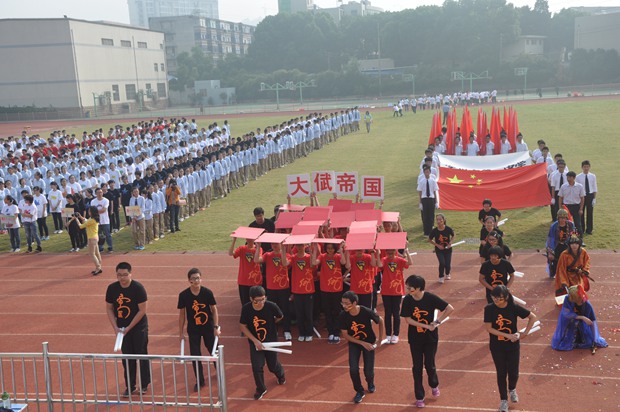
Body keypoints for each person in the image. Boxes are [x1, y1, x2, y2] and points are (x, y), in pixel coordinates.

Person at [400, 275, 454, 408]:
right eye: (407, 287)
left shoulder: (430, 298)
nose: (408, 290)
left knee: (429, 364)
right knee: (416, 367)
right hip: (415, 338)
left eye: (410, 288)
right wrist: (426, 326)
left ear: (418, 288)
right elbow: (408, 319)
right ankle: (419, 396)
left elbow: (449, 308)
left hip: (430, 339)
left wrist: (437, 322)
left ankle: (434, 384)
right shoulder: (407, 300)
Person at [484, 285, 537, 412]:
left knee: (514, 372)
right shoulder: (489, 308)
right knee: (501, 373)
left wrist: (524, 333)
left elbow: (532, 317)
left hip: (512, 346)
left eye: (499, 299)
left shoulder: (513, 307)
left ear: (506, 297)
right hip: (497, 346)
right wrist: (508, 335)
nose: (496, 301)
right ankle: (503, 400)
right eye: (494, 298)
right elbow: (489, 328)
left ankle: (512, 388)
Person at [105, 262, 150, 397]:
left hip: (138, 326)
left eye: (125, 275)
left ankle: (144, 384)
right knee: (127, 357)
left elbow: (142, 310)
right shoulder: (112, 288)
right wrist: (115, 327)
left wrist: (130, 327)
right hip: (122, 328)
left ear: (130, 274)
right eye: (119, 275)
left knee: (141, 354)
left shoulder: (138, 288)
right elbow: (109, 308)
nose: (122, 278)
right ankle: (130, 386)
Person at [239, 285, 286, 401]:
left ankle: (280, 374)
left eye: (262, 299)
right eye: (257, 301)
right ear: (251, 299)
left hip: (271, 341)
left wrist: (272, 324)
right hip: (255, 343)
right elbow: (242, 326)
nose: (260, 303)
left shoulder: (271, 306)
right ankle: (261, 388)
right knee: (257, 366)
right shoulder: (246, 309)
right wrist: (255, 341)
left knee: (272, 365)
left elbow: (280, 316)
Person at [178, 268, 221, 391]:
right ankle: (200, 380)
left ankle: (219, 371)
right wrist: (180, 333)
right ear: (189, 280)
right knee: (195, 355)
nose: (196, 281)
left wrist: (216, 327)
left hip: (208, 327)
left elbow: (214, 310)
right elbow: (182, 315)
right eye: (193, 279)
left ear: (201, 278)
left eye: (197, 278)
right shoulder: (184, 295)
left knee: (214, 351)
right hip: (193, 329)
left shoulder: (207, 292)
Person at [339, 291, 385, 404]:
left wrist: (379, 340)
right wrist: (361, 343)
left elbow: (381, 321)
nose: (344, 306)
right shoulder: (343, 315)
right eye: (342, 303)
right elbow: (345, 335)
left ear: (354, 303)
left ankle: (370, 382)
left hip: (369, 341)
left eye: (346, 303)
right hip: (355, 343)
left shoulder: (365, 311)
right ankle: (359, 391)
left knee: (368, 371)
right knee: (353, 369)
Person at [312, 241, 349, 344]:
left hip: (337, 288)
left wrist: (341, 250)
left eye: (332, 248)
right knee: (327, 311)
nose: (330, 250)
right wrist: (315, 248)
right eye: (328, 248)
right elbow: (314, 263)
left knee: (336, 311)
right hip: (325, 288)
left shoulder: (337, 256)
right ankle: (330, 332)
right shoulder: (322, 257)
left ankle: (336, 332)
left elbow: (343, 262)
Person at [551, 285, 608, 351]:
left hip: (581, 325)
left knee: (586, 340)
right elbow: (565, 313)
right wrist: (582, 317)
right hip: (571, 321)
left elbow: (593, 319)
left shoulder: (586, 304)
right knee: (571, 322)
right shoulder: (568, 298)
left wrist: (595, 337)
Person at [255, 241, 292, 341]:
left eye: (276, 244)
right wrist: (258, 247)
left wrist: (283, 250)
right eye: (273, 244)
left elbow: (285, 263)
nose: (274, 246)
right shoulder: (268, 255)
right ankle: (273, 330)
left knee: (285, 309)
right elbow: (256, 260)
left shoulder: (287, 255)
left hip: (284, 287)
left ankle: (286, 330)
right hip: (271, 287)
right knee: (271, 310)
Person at [229, 237, 263, 306]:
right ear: (246, 239)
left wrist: (258, 246)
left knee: (256, 303)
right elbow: (230, 253)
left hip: (255, 280)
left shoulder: (259, 249)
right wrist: (234, 240)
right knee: (245, 303)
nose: (250, 239)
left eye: (251, 238)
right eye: (248, 238)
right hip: (243, 280)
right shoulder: (242, 248)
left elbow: (257, 260)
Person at [545, 209, 574, 279]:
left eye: (564, 218)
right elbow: (550, 239)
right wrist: (550, 252)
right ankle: (553, 272)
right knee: (555, 260)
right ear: (558, 218)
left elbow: (573, 235)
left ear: (566, 218)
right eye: (561, 218)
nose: (562, 220)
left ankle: (567, 273)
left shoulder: (570, 224)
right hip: (556, 245)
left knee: (568, 260)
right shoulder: (554, 226)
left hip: (566, 244)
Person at [73, 206, 102, 275]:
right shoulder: (94, 219)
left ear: (92, 212)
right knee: (97, 253)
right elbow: (86, 220)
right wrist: (80, 217)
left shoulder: (92, 220)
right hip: (95, 237)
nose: (88, 212)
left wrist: (76, 219)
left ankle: (98, 267)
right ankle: (99, 266)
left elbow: (81, 226)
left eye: (89, 211)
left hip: (92, 238)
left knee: (92, 254)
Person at [428, 214, 454, 284]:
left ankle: (447, 273)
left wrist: (450, 243)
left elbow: (453, 236)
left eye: (440, 219)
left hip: (448, 250)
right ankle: (441, 277)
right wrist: (437, 245)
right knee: (442, 263)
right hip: (439, 250)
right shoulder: (434, 231)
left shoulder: (448, 229)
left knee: (447, 264)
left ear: (444, 220)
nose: (439, 221)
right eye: (437, 220)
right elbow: (429, 239)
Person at [558, 171, 585, 236]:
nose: (568, 179)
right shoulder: (563, 186)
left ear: (574, 178)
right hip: (566, 207)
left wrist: (581, 209)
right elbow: (560, 198)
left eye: (570, 177)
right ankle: (565, 237)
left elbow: (582, 198)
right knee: (565, 223)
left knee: (578, 223)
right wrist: (560, 208)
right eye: (567, 177)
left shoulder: (579, 186)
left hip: (576, 206)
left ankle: (580, 239)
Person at [575, 160, 597, 235]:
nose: (586, 168)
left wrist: (594, 198)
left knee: (590, 213)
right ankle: (582, 229)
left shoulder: (593, 176)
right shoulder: (578, 177)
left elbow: (594, 187)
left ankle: (589, 229)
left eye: (587, 167)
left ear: (589, 167)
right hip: (582, 196)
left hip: (590, 195)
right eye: (584, 167)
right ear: (582, 167)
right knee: (581, 213)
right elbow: (577, 188)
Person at [417, 165, 438, 236]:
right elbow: (420, 192)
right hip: (424, 199)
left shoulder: (433, 180)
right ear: (424, 172)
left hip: (431, 198)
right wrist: (420, 202)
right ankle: (426, 232)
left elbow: (435, 191)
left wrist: (436, 201)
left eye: (428, 172)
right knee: (425, 216)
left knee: (431, 215)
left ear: (430, 172)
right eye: (425, 172)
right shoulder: (421, 181)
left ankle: (431, 231)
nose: (427, 173)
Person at [91, 187, 113, 253]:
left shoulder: (106, 200)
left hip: (105, 220)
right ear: (95, 194)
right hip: (97, 221)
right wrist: (96, 212)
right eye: (98, 192)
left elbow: (104, 210)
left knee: (107, 234)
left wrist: (96, 211)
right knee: (98, 235)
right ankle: (100, 248)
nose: (100, 194)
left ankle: (110, 247)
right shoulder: (93, 201)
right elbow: (92, 211)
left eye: (101, 192)